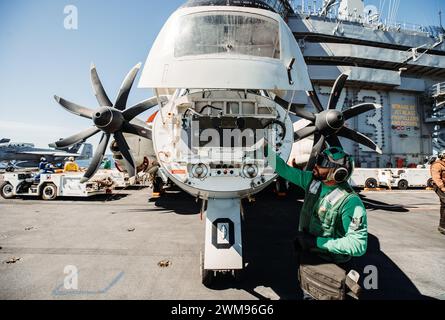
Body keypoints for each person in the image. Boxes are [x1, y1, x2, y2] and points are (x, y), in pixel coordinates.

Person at [267, 145, 368, 299]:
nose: (316, 165)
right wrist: (263, 146)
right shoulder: (312, 181)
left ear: (339, 173)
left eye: (322, 163)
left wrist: (316, 242)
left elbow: (358, 245)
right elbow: (283, 169)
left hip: (331, 268)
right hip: (309, 260)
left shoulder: (350, 202)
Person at [430, 150, 445, 235]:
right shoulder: (437, 165)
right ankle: (442, 226)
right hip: (439, 186)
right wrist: (443, 188)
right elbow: (436, 178)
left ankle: (442, 226)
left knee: (443, 205)